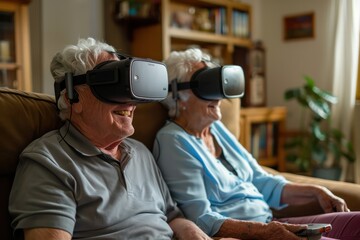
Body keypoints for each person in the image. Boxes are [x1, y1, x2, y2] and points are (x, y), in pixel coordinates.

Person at [8, 38, 214, 240]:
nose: (130, 102)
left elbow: (171, 215)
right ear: (73, 97)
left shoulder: (140, 152)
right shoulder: (49, 162)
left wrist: (190, 230)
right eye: (113, 87)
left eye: (130, 86)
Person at [153, 48, 360, 240]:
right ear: (178, 94)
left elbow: (261, 181)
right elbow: (201, 218)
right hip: (254, 234)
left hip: (273, 223)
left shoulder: (216, 128)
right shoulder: (173, 140)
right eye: (207, 85)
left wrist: (316, 191)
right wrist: (265, 232)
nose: (219, 96)